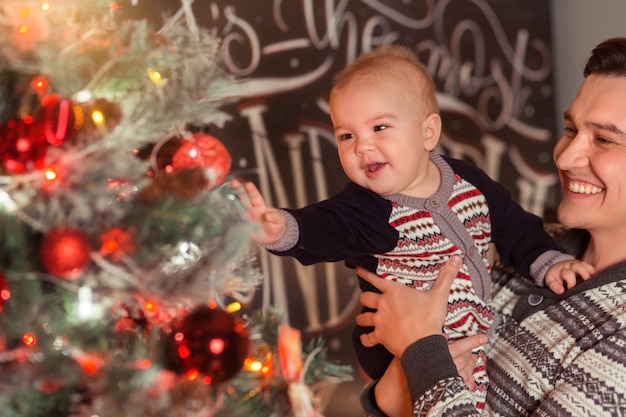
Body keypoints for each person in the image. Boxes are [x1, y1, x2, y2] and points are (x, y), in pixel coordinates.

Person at [235, 44, 593, 411]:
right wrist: (281, 228)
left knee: (472, 380)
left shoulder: (467, 180)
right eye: (346, 136)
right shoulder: (368, 207)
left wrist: (550, 262)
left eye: (379, 127)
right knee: (461, 382)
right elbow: (325, 227)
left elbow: (513, 225)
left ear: (428, 132)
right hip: (393, 346)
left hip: (466, 328)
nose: (362, 147)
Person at [356, 37, 626, 416]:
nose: (565, 158)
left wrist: (419, 346)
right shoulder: (537, 246)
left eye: (604, 139)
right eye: (570, 129)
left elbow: (420, 367)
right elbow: (399, 394)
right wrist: (396, 381)